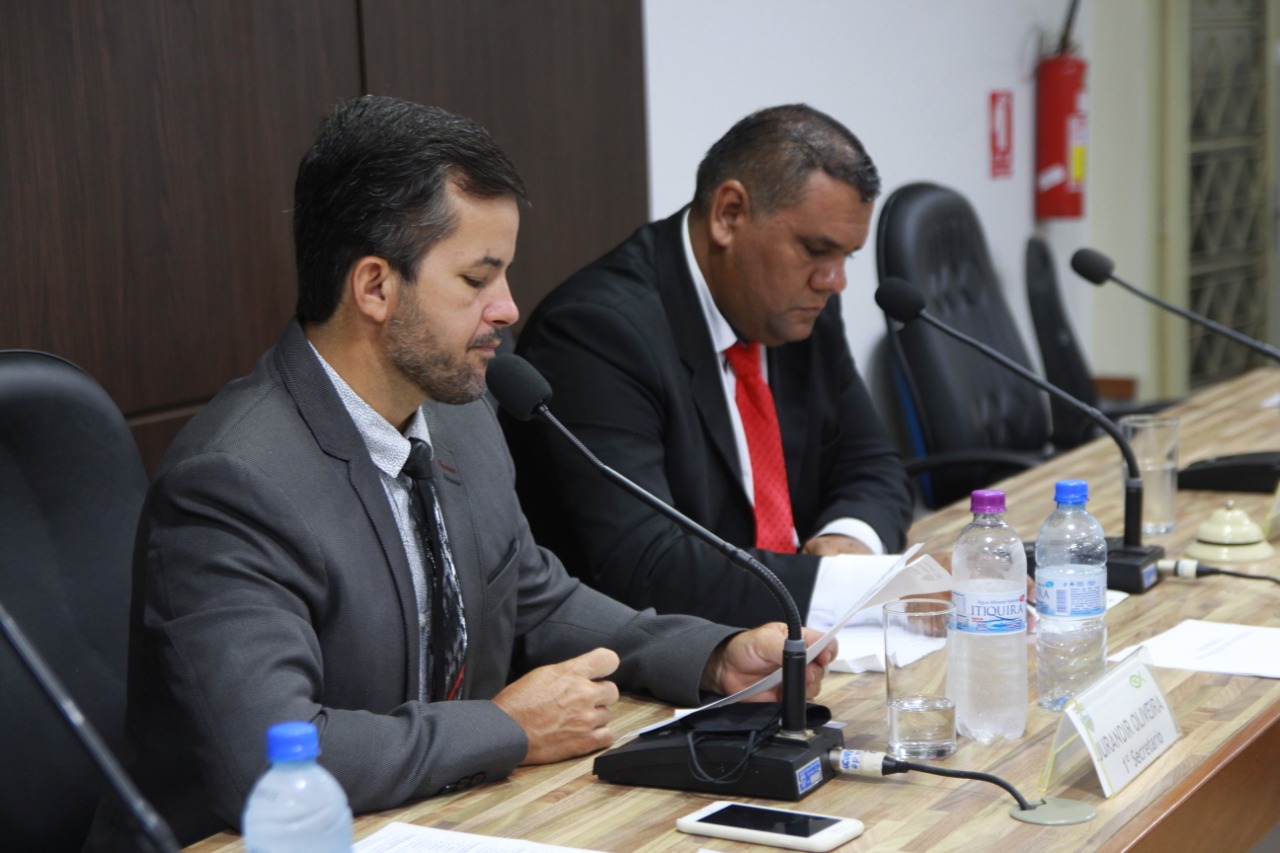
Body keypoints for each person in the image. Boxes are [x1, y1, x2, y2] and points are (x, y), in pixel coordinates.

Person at [84, 96, 834, 850]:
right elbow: (271, 757)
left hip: (436, 821)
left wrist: (711, 656)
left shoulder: (460, 416)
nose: (507, 308)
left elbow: (535, 598)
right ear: (375, 287)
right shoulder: (232, 482)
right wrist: (505, 727)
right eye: (478, 279)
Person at [509, 104, 914, 629]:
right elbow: (646, 566)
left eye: (847, 257)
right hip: (648, 662)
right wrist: (861, 586)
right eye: (817, 250)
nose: (834, 281)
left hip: (796, 643)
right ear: (729, 214)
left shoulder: (801, 309)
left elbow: (873, 463)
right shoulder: (595, 333)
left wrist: (849, 540)